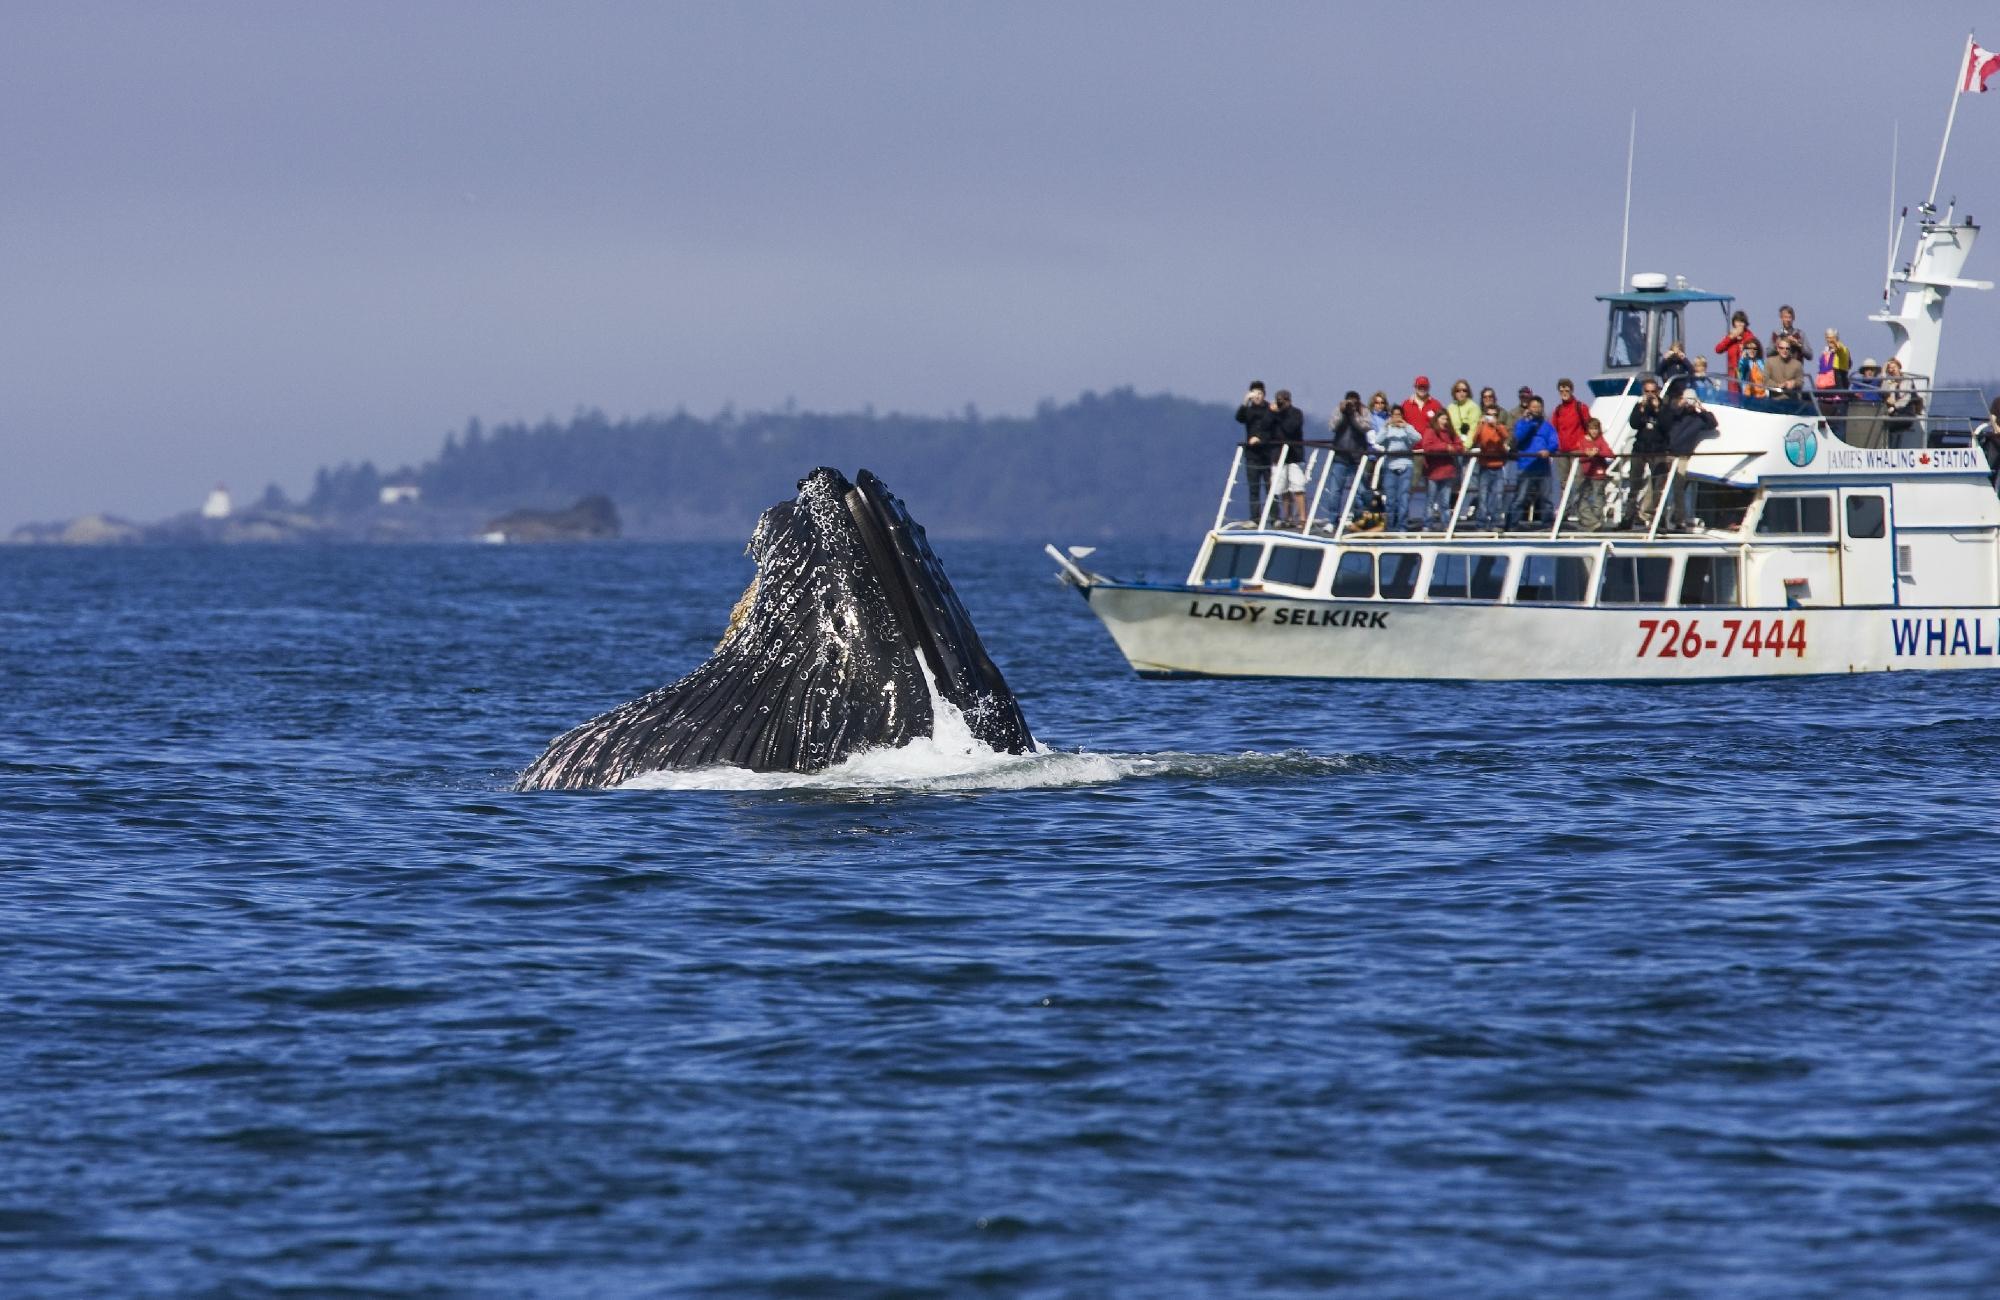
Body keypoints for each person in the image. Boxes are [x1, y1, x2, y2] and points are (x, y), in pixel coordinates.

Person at [1663, 388, 1719, 530]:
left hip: (1682, 455)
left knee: (1678, 487)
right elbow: (1666, 417)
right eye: (1687, 399)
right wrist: (1680, 405)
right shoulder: (1675, 414)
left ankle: (1678, 518)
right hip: (1667, 453)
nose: (1689, 403)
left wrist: (1701, 408)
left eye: (1691, 400)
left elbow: (1713, 423)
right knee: (1661, 486)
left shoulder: (1698, 418)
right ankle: (1659, 517)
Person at [1625, 376, 1670, 529]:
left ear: (1658, 391)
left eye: (1653, 391)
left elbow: (1667, 425)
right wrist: (1642, 409)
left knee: (1658, 487)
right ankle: (1629, 516)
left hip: (1658, 450)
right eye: (1647, 391)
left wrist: (1658, 409)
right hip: (1640, 449)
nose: (1650, 394)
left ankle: (1658, 519)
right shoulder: (1639, 406)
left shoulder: (1664, 406)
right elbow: (1634, 423)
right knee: (1634, 484)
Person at [1508, 397, 1559, 530]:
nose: (1536, 409)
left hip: (1542, 466)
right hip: (1526, 465)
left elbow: (1554, 441)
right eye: (1533, 407)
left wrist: (1548, 450)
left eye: (1538, 406)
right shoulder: (1522, 423)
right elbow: (1518, 437)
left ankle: (1547, 524)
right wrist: (1527, 423)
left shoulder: (1547, 426)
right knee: (1521, 497)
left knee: (1546, 497)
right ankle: (1513, 524)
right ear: (1529, 408)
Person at [1327, 391, 1373, 522]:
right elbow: (1332, 427)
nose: (1351, 404)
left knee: (1362, 490)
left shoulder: (1364, 411)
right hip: (1341, 456)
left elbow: (1365, 427)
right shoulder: (1339, 410)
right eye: (1349, 402)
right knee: (1335, 490)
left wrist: (1354, 414)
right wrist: (1342, 413)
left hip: (1358, 457)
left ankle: (1360, 517)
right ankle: (1332, 520)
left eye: (1354, 402)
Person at [1234, 382, 1277, 519]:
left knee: (1271, 487)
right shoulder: (1248, 411)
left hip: (1267, 454)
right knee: (1254, 488)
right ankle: (1255, 518)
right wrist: (1245, 402)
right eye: (1254, 394)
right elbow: (1239, 418)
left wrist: (1260, 439)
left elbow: (1271, 428)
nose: (1257, 397)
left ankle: (1275, 517)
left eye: (1259, 394)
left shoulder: (1269, 410)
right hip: (1252, 454)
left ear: (1264, 395)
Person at [1377, 407, 1420, 531]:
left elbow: (1417, 438)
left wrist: (1406, 426)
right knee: (1390, 499)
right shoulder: (1387, 429)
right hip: (1390, 466)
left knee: (1404, 498)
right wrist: (1386, 426)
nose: (1397, 417)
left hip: (1406, 465)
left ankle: (1402, 526)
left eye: (1399, 415)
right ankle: (1390, 526)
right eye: (1394, 415)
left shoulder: (1407, 429)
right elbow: (1378, 440)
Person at [1418, 410, 1462, 529]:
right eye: (1442, 419)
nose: (1445, 421)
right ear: (1437, 419)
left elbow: (1460, 446)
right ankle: (1427, 525)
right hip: (1433, 472)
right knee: (1430, 501)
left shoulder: (1451, 433)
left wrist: (1452, 448)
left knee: (1445, 502)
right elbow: (1427, 447)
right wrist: (1445, 447)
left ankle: (1446, 525)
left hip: (1447, 471)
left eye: (1446, 419)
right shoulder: (1430, 431)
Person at [1270, 389, 1307, 527]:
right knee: (1283, 489)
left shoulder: (1296, 413)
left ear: (1289, 400)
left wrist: (1279, 415)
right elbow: (1266, 426)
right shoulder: (1273, 415)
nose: (1280, 403)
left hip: (1294, 456)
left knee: (1298, 487)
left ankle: (1303, 518)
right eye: (1278, 400)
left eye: (1283, 400)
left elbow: (1289, 428)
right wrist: (1271, 413)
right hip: (1278, 455)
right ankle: (1288, 517)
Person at [1471, 410, 1511, 529]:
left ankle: (1496, 523)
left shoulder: (1500, 427)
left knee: (1498, 496)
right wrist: (1480, 425)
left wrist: (1497, 426)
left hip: (1498, 466)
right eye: (1489, 415)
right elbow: (1475, 439)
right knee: (1483, 497)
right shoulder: (1482, 427)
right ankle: (1481, 524)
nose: (1491, 417)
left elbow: (1505, 436)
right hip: (1484, 466)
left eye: (1494, 415)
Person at [1574, 416, 1614, 531]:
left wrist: (1598, 452)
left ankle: (1596, 524)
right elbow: (1579, 457)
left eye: (1596, 428)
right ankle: (1592, 521)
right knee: (1581, 498)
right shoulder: (1582, 441)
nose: (1594, 431)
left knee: (1598, 500)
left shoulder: (1600, 440)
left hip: (1599, 474)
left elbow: (1610, 453)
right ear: (1588, 429)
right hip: (1586, 475)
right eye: (1591, 428)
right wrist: (1587, 454)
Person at [1882, 357, 1923, 447]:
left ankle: (1892, 449)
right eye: (1889, 369)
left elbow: (1905, 399)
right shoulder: (1889, 383)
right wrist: (1883, 373)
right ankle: (1890, 449)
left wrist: (1894, 405)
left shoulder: (1907, 380)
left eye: (1894, 367)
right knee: (1883, 423)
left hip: (1906, 413)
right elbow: (1885, 393)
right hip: (1894, 414)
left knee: (1887, 424)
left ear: (1899, 368)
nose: (1892, 370)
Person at [1714, 310, 1754, 393]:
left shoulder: (1750, 337)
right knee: (1733, 400)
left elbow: (1753, 355)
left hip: (1746, 375)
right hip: (1732, 376)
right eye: (1737, 322)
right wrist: (1731, 337)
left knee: (1746, 399)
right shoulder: (1730, 337)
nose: (1739, 325)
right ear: (1734, 323)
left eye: (1741, 322)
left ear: (1745, 324)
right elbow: (1718, 349)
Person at [1400, 376, 1445, 442]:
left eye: (1425, 386)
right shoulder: (1405, 404)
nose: (1422, 389)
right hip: (1410, 448)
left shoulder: (1436, 405)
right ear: (1415, 387)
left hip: (1430, 447)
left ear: (1428, 388)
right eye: (1420, 386)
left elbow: (1443, 426)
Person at [1446, 380, 1480, 452]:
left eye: (1464, 390)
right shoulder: (1450, 407)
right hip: (1453, 445)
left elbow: (1473, 429)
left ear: (1468, 392)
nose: (1461, 393)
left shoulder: (1473, 407)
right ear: (1454, 392)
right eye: (1458, 390)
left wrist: (1466, 446)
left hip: (1467, 447)